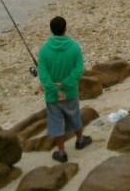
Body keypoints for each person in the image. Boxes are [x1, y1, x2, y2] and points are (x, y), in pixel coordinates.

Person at [37, 15, 92, 162]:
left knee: (56, 122)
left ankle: (61, 152)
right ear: (65, 29)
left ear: (51, 30)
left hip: (52, 95)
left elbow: (43, 76)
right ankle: (80, 140)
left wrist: (54, 89)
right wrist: (65, 84)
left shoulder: (44, 50)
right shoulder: (74, 47)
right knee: (74, 115)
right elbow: (78, 70)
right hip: (70, 92)